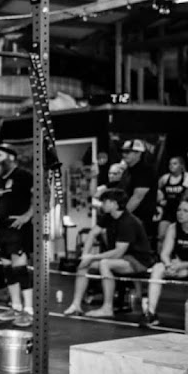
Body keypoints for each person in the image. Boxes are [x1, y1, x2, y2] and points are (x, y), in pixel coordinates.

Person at [62, 189, 156, 318]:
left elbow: (118, 252)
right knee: (83, 265)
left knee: (105, 263)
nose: (102, 204)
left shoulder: (128, 221)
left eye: (105, 202)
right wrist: (85, 255)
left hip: (138, 260)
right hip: (123, 258)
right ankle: (76, 304)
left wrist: (92, 257)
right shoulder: (108, 217)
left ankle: (107, 308)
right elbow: (93, 233)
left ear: (115, 204)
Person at [0, 144, 34, 328]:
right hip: (3, 230)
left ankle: (28, 310)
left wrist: (27, 216)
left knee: (19, 268)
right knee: (7, 269)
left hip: (18, 228)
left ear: (11, 157)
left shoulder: (23, 176)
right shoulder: (0, 179)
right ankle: (15, 307)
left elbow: (41, 196)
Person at [141, 198, 188, 327]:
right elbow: (164, 253)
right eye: (179, 210)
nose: (180, 213)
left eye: (185, 211)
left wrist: (182, 265)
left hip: (183, 265)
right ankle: (151, 314)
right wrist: (169, 266)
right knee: (158, 268)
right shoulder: (173, 227)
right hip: (178, 265)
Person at [120, 138, 157, 240]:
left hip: (140, 220)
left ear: (138, 153)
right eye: (123, 151)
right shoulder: (128, 171)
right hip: (130, 218)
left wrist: (121, 217)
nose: (124, 154)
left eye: (128, 152)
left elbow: (137, 197)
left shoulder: (145, 170)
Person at [156, 156, 186, 240]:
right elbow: (154, 190)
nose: (171, 166)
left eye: (175, 163)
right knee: (161, 236)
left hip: (182, 211)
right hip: (167, 211)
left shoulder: (186, 177)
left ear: (181, 165)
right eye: (170, 164)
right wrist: (160, 200)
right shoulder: (165, 178)